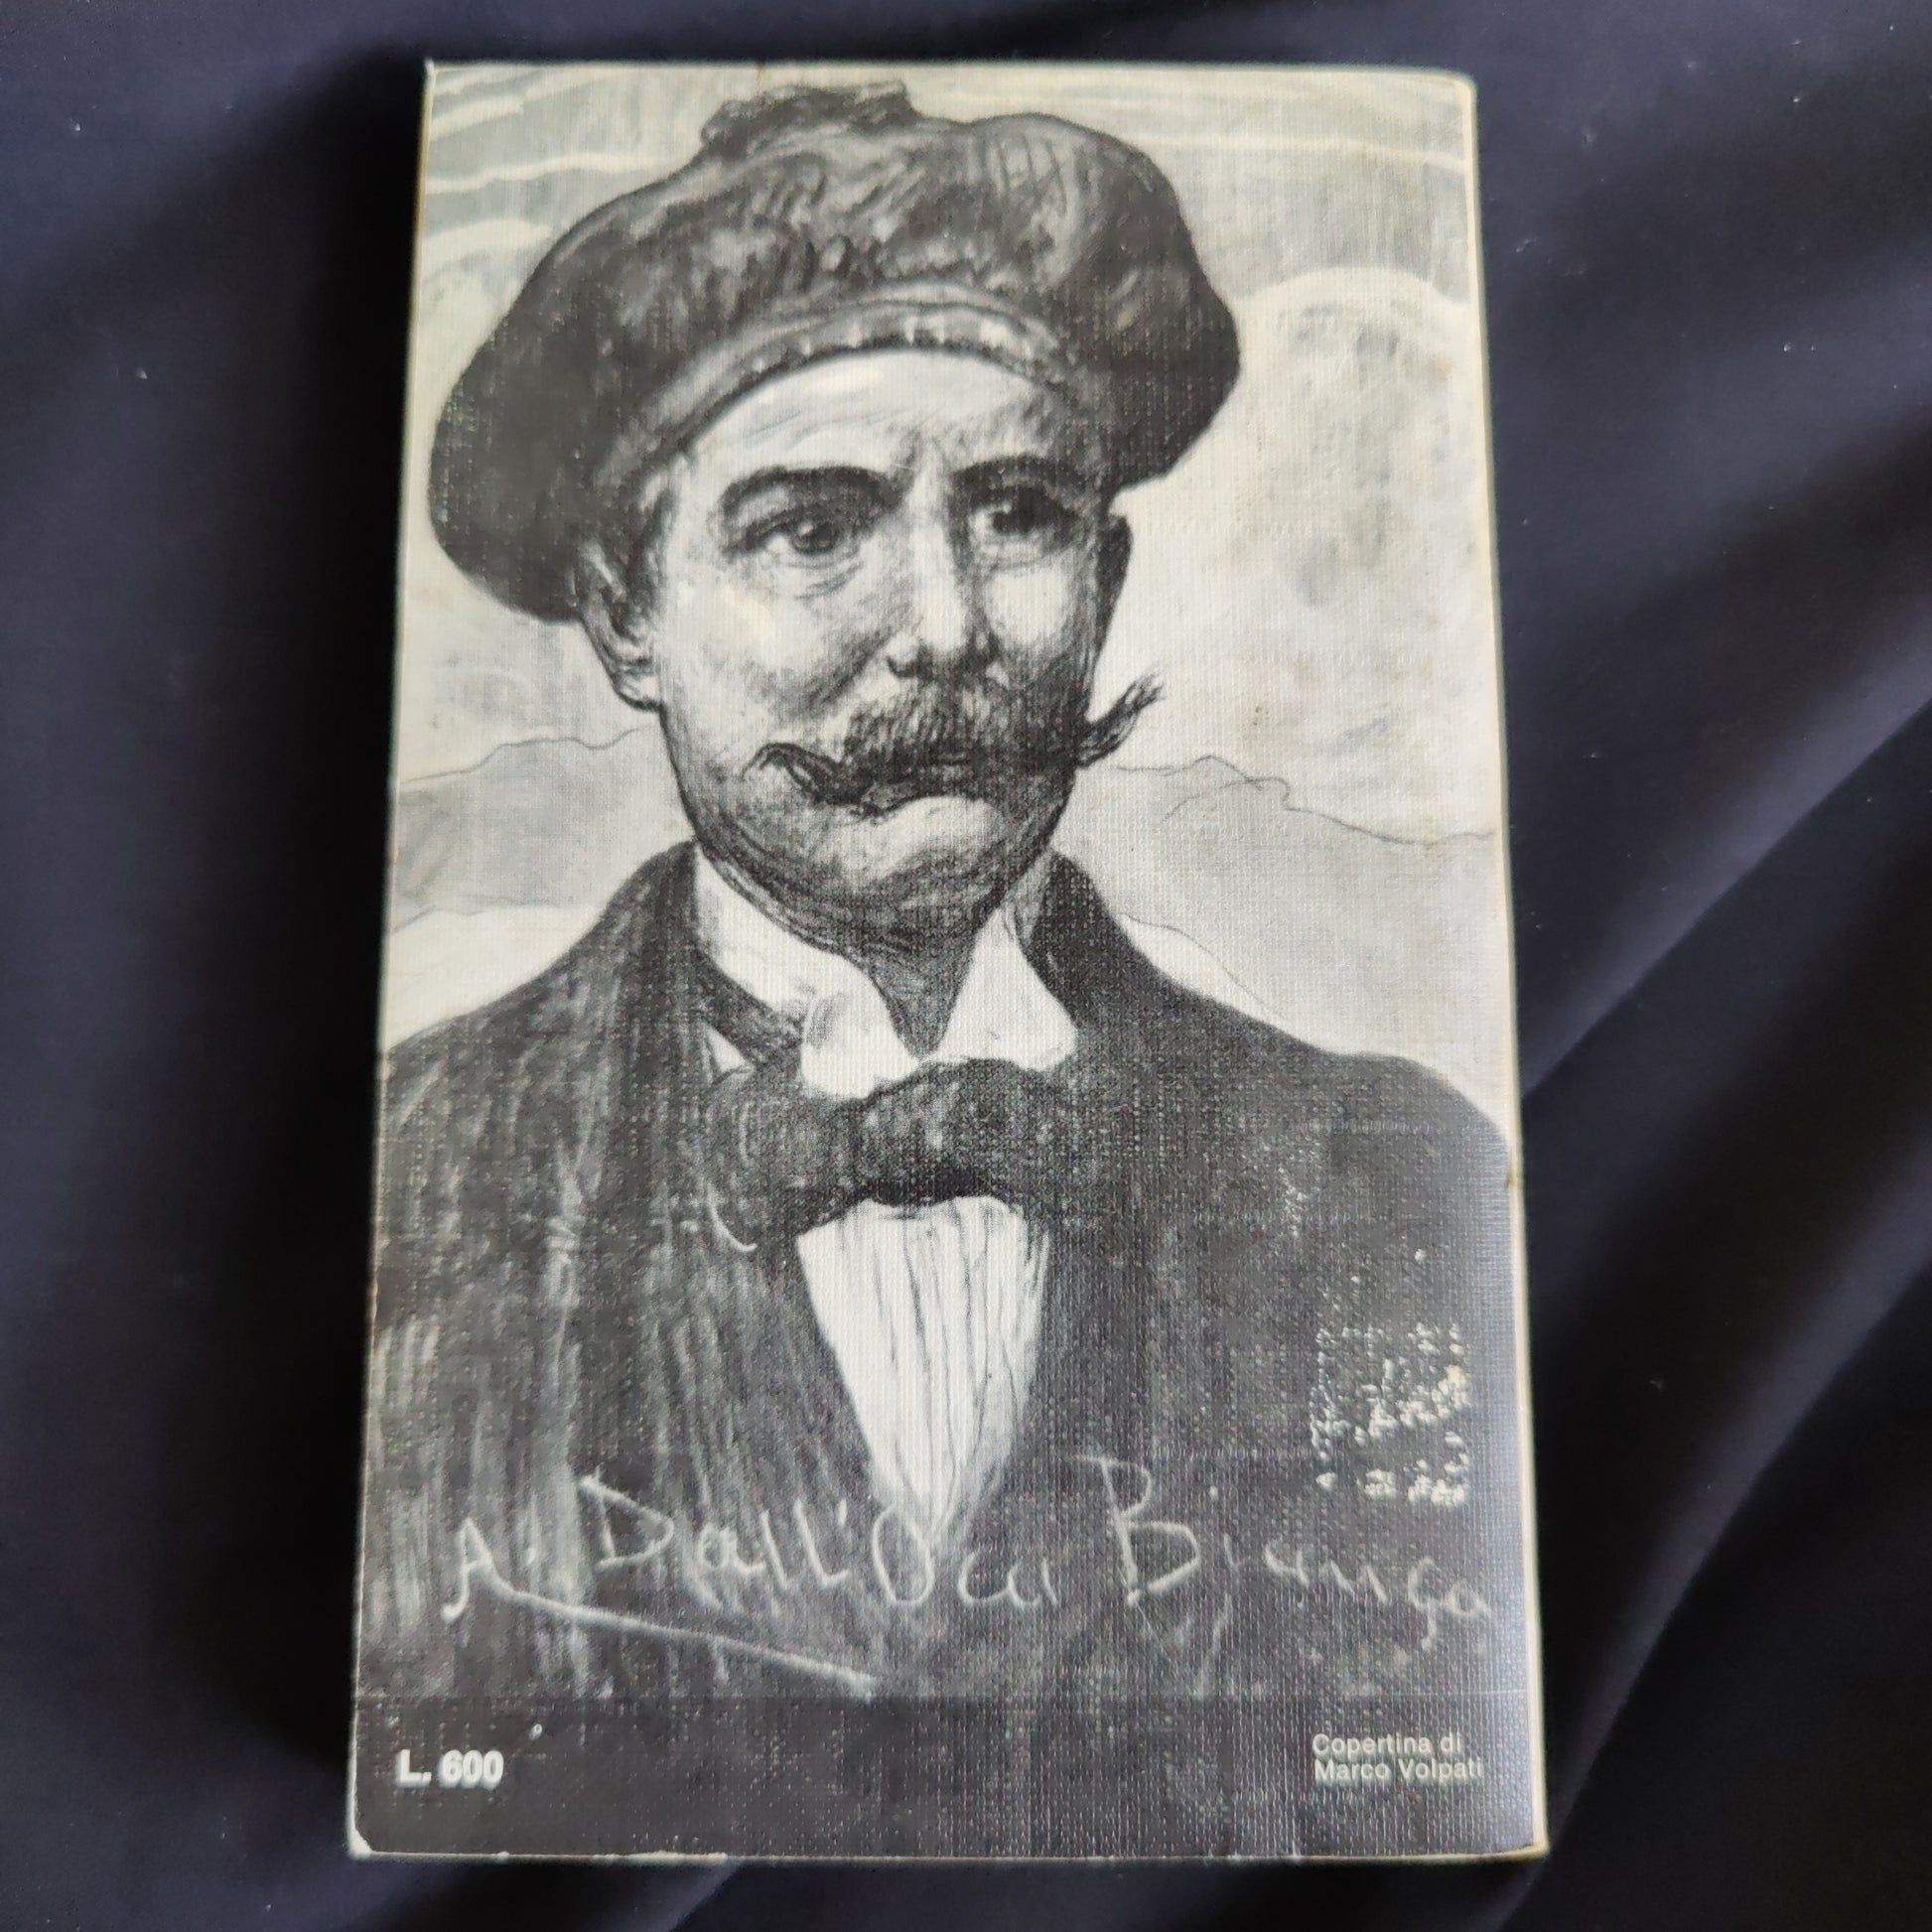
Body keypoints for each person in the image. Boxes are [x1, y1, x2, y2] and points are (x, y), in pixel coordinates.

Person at [360, 81, 1522, 1702]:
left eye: (1018, 515)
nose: (945, 626)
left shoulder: (1388, 1180)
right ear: (626, 616)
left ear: (1104, 580)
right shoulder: (418, 1167)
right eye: (812, 529)